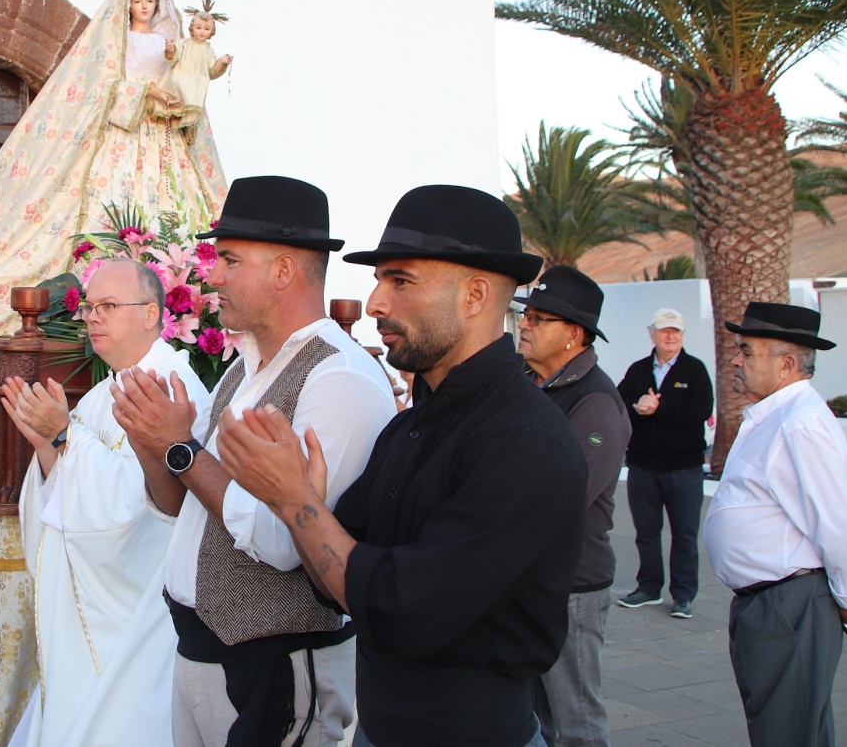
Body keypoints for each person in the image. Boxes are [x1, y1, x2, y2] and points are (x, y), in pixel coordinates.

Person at [218, 185, 586, 747]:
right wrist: (304, 507)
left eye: (401, 280)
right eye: (378, 280)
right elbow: (342, 580)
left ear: (476, 295)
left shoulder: (525, 440)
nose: (374, 304)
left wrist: (295, 501)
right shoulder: (409, 428)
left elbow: (400, 608)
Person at [112, 175, 396, 747]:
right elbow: (180, 506)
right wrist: (152, 442)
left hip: (275, 665)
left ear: (285, 271)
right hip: (204, 653)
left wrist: (181, 447)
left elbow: (284, 540)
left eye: (230, 259)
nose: (212, 275)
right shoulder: (245, 365)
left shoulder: (337, 377)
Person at [0, 0, 227, 340]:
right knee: (108, 204)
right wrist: (142, 92)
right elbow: (102, 86)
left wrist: (185, 88)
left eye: (150, 1)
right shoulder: (113, 42)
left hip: (161, 136)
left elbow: (185, 76)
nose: (145, 6)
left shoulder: (168, 44)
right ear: (127, 2)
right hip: (121, 136)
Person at [0, 258, 213, 747]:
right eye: (90, 307)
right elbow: (68, 497)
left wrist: (63, 438)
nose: (93, 317)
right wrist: (47, 444)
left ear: (152, 314)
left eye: (109, 306)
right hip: (91, 603)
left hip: (138, 610)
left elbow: (146, 510)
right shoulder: (103, 392)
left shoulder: (172, 385)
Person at [703, 302, 847, 747]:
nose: (736, 360)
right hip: (769, 604)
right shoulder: (776, 416)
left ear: (786, 364)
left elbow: (837, 525)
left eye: (747, 351)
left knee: (787, 734)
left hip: (790, 603)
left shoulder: (801, 423)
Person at [515, 266, 630, 747]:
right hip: (529, 578)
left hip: (572, 586)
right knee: (534, 718)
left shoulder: (596, 401)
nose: (525, 324)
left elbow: (566, 496)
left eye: (540, 319)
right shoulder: (526, 383)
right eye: (527, 314)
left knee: (576, 721)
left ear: (574, 335)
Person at [615, 308, 714, 617]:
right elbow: (617, 405)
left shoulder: (694, 370)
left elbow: (700, 410)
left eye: (676, 331)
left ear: (682, 335)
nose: (671, 335)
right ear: (652, 334)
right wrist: (637, 406)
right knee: (646, 532)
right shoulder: (638, 370)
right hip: (644, 467)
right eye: (664, 330)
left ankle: (683, 595)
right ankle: (648, 588)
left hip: (684, 469)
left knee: (684, 534)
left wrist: (659, 408)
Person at [157, 0, 233, 137]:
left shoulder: (208, 51)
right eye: (198, 28)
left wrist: (222, 62)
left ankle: (185, 128)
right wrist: (171, 49)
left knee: (191, 103)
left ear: (211, 32)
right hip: (180, 77)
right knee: (177, 96)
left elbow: (212, 70)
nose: (202, 32)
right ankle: (174, 118)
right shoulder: (185, 44)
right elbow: (174, 55)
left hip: (196, 83)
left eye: (206, 29)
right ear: (192, 28)